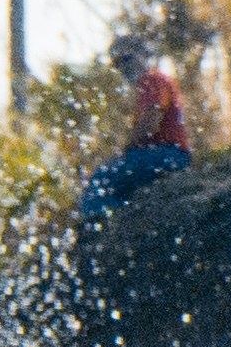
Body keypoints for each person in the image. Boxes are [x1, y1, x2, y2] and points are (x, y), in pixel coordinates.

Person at [75, 41, 196, 227]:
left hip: (168, 155)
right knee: (110, 182)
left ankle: (99, 229)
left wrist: (125, 150)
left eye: (127, 59)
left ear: (144, 54)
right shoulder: (148, 86)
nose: (123, 66)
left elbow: (150, 123)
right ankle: (118, 224)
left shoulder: (152, 80)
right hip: (165, 155)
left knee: (101, 178)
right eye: (117, 63)